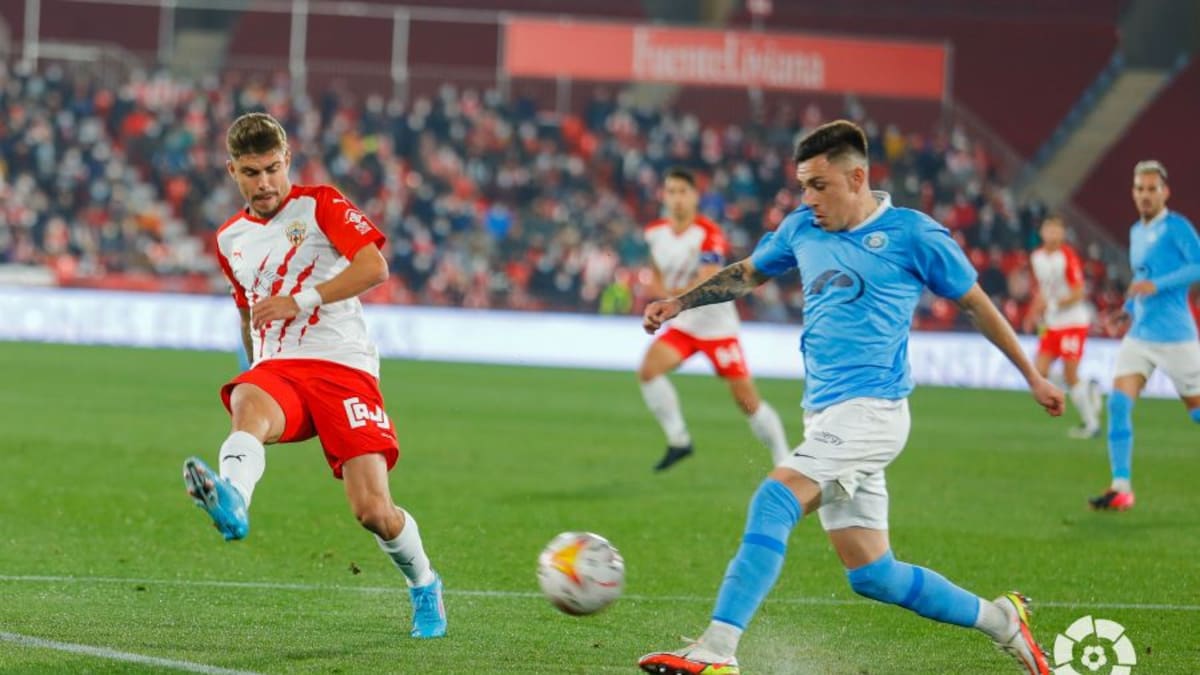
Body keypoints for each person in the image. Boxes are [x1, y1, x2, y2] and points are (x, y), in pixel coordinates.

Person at [637, 121, 1063, 675]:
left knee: (774, 499)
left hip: (874, 411)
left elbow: (977, 304)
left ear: (857, 177)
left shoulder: (914, 235)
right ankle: (1003, 621)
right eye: (802, 186)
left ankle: (716, 650)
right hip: (825, 415)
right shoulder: (800, 229)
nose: (807, 199)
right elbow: (747, 274)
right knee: (872, 573)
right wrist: (680, 302)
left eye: (819, 185)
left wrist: (1032, 374)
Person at [182, 112, 447, 638]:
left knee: (373, 510)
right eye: (252, 173)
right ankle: (232, 501)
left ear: (288, 162)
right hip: (280, 367)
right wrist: (252, 363)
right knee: (247, 402)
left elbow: (375, 267)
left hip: (343, 366)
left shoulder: (321, 203)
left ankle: (424, 584)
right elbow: (246, 310)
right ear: (232, 170)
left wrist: (299, 299)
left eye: (273, 169)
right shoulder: (229, 237)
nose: (265, 183)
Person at [638, 167, 790, 471]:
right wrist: (657, 294)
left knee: (747, 401)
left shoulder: (708, 233)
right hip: (683, 325)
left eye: (683, 192)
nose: (677, 199)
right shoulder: (654, 231)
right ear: (664, 196)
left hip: (717, 328)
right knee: (649, 371)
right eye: (671, 192)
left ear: (695, 197)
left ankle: (784, 460)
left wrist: (671, 300)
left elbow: (707, 279)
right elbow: (654, 274)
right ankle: (679, 440)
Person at [1090, 160, 1200, 512]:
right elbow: (1142, 278)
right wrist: (1128, 308)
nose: (1146, 195)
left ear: (1165, 192)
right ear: (1133, 193)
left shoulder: (1177, 227)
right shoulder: (1136, 232)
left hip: (1177, 336)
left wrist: (1158, 285)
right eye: (1140, 189)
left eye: (1152, 189)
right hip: (1140, 336)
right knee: (1118, 403)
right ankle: (1120, 487)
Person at [1026, 215, 1103, 438]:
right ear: (1042, 233)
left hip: (1073, 322)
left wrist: (1054, 304)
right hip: (1052, 323)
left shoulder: (1067, 256)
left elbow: (1078, 293)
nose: (1052, 234)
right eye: (1048, 230)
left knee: (1070, 374)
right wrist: (1034, 312)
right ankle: (1087, 386)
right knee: (1040, 373)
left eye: (1056, 230)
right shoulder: (1037, 257)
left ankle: (1091, 425)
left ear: (1062, 234)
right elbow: (1043, 289)